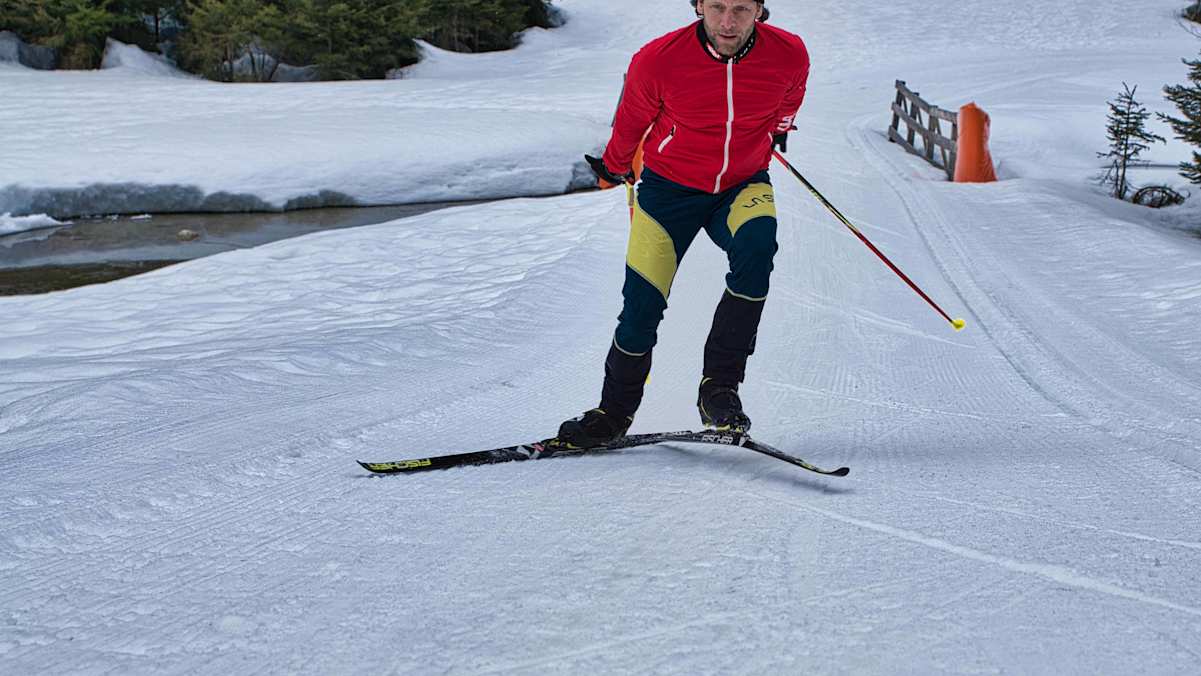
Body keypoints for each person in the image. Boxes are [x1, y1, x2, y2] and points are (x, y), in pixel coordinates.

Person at [557, 0, 810, 447]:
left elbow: (789, 101)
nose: (728, 22)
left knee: (757, 251)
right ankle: (612, 413)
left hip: (741, 183)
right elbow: (632, 123)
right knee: (642, 306)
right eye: (717, 8)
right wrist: (614, 166)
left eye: (741, 9)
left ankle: (719, 389)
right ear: (698, 6)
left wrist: (778, 132)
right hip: (668, 192)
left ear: (759, 10)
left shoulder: (789, 53)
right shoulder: (657, 60)